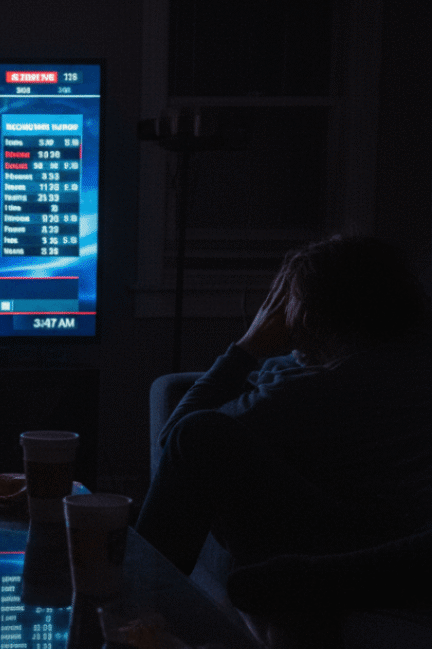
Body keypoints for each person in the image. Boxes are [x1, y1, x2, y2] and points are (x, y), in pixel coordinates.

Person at [135, 236, 432, 576]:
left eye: (285, 302)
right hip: (402, 528)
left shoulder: (318, 392)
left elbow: (175, 439)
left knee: (198, 435)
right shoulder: (409, 355)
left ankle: (140, 597)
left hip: (353, 545)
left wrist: (246, 348)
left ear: (306, 317)